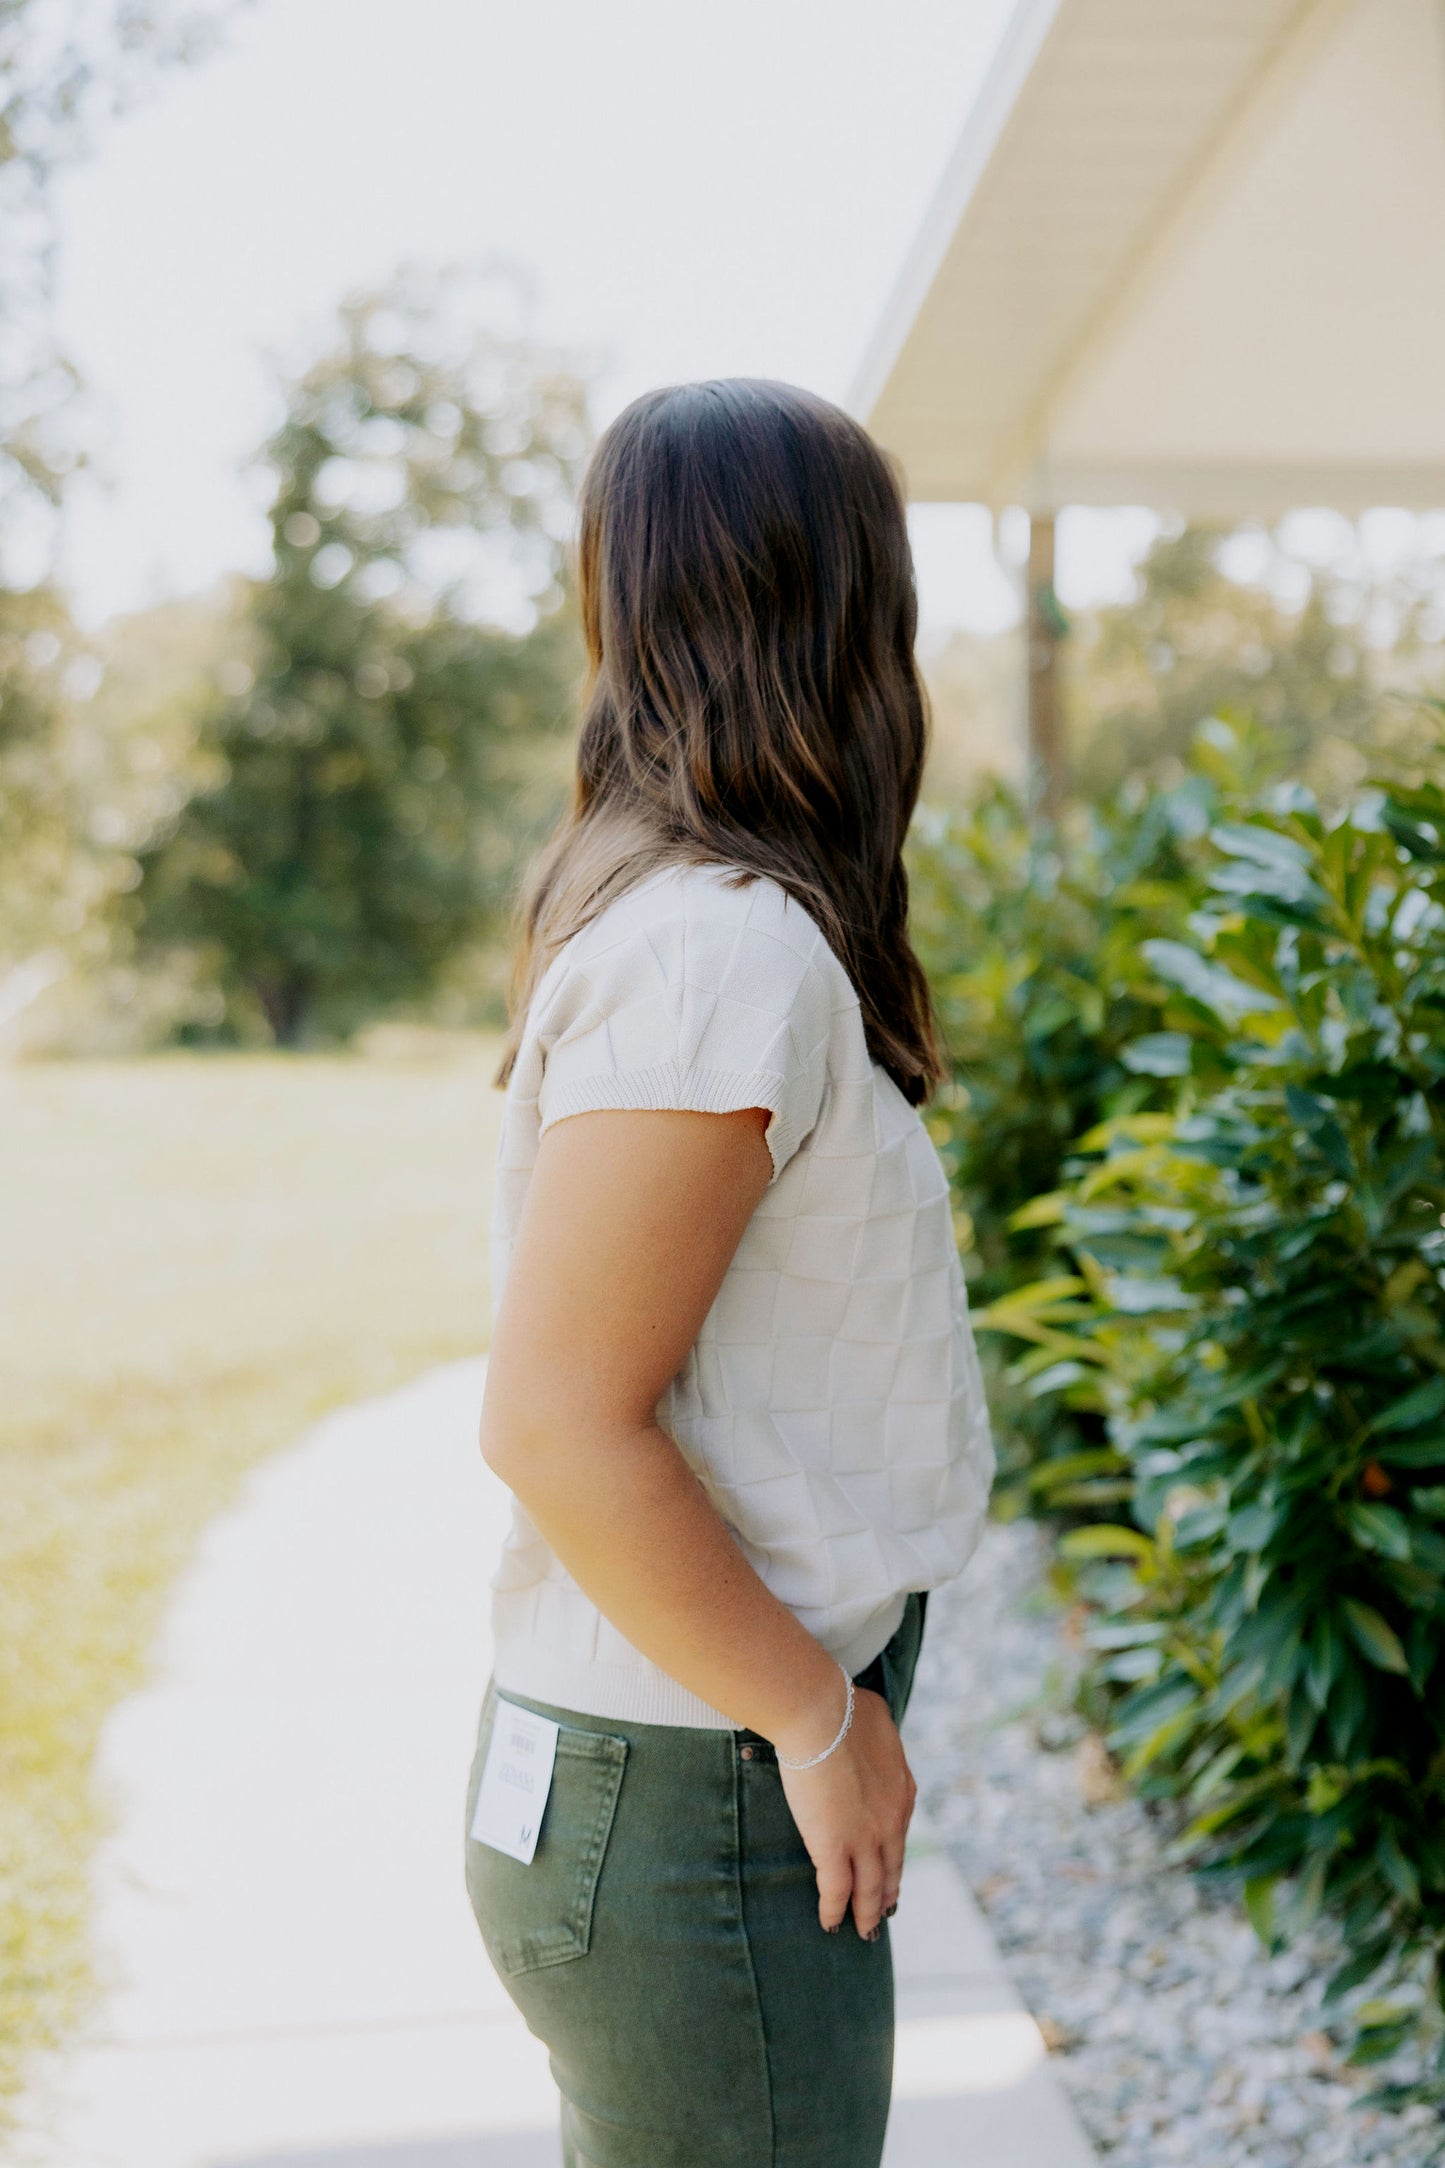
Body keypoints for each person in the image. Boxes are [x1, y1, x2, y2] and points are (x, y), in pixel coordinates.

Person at [465, 378, 994, 2168]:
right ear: (841, 612)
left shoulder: (697, 929)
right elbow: (553, 1423)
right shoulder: (715, 956)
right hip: (694, 1795)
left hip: (657, 1787)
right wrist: (814, 1715)